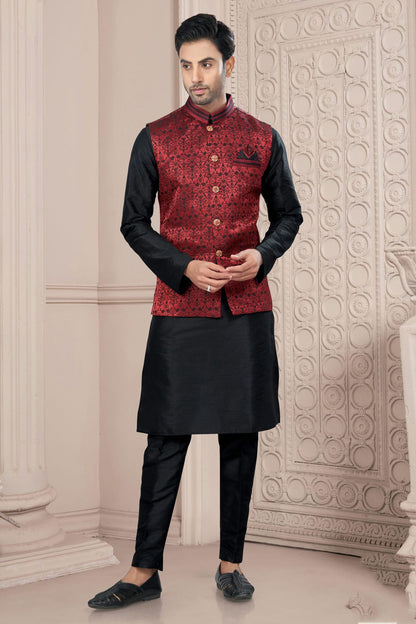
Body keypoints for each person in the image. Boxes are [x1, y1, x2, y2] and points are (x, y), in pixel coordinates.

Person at [88, 13, 302, 609]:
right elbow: (133, 222)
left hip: (246, 307)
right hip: (179, 306)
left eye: (206, 64)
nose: (195, 77)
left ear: (228, 65)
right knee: (165, 437)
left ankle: (231, 565)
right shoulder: (154, 137)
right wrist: (182, 266)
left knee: (240, 436)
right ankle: (143, 571)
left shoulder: (262, 137)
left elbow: (289, 214)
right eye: (186, 65)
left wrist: (262, 254)